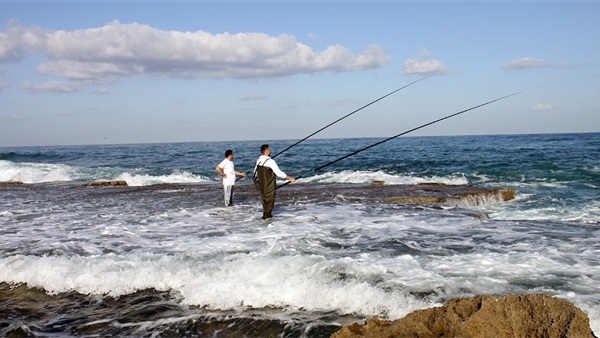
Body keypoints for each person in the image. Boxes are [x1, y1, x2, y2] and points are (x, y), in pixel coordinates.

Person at [253, 144, 296, 219]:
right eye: (269, 149)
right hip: (269, 185)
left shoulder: (258, 161)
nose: (270, 151)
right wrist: (289, 178)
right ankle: (266, 218)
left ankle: (265, 218)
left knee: (265, 201)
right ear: (267, 151)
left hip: (261, 185)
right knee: (270, 201)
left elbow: (255, 173)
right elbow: (279, 173)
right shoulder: (270, 161)